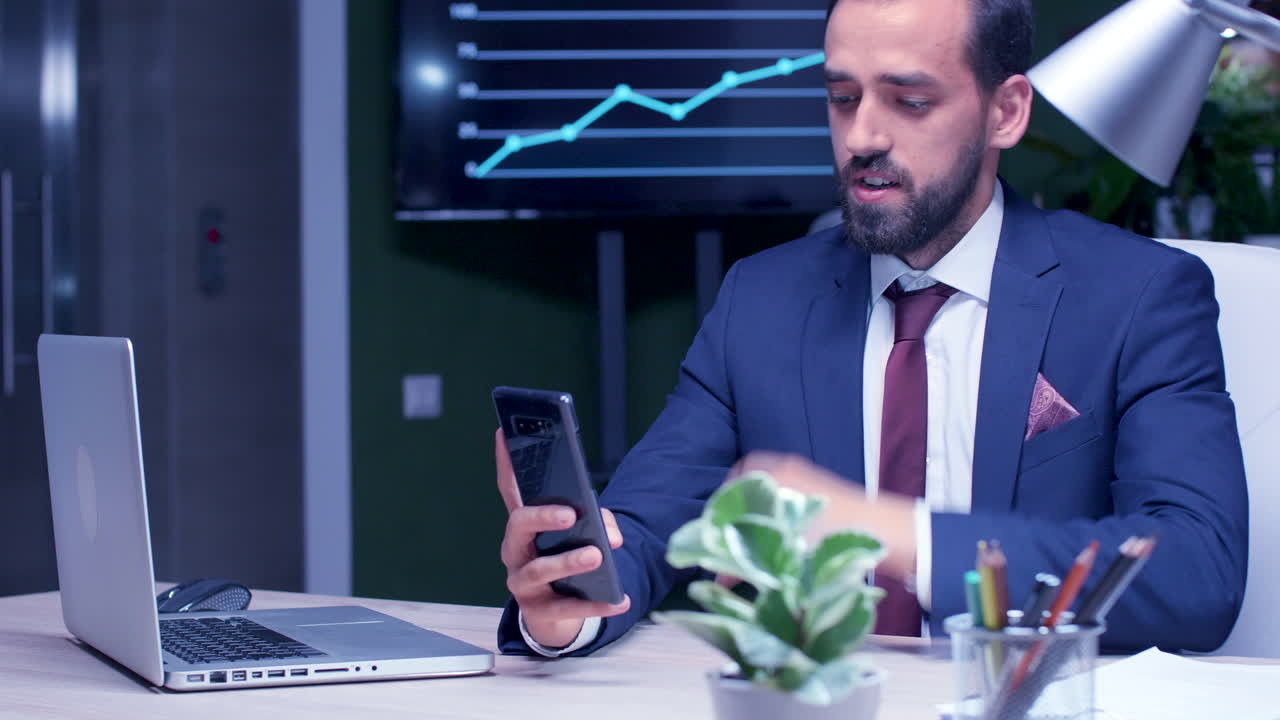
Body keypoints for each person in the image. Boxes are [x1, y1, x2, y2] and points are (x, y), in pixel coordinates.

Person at [495, 0, 1248, 656]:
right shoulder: (761, 299)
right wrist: (576, 597)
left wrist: (886, 530)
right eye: (842, 96)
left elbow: (1195, 575)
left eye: (909, 101)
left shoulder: (1140, 296)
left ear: (1006, 111)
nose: (861, 137)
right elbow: (646, 530)